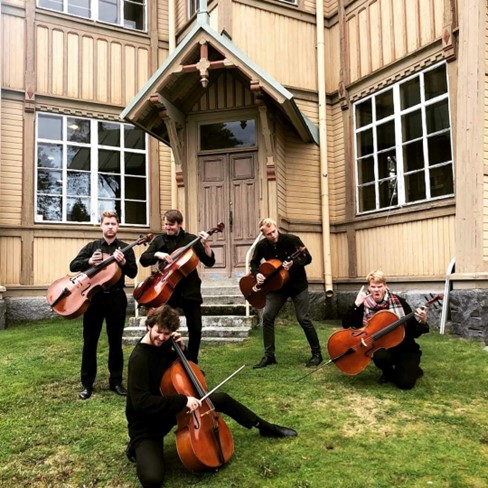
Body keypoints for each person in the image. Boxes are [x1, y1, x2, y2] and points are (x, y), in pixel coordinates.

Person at [125, 304, 297, 488]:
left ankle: (265, 427)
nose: (162, 337)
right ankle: (135, 446)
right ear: (148, 326)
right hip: (147, 423)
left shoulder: (166, 344)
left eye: (167, 334)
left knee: (220, 398)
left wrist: (182, 349)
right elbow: (141, 403)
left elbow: (182, 371)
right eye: (159, 332)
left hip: (170, 410)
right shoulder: (139, 359)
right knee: (152, 478)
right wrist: (183, 401)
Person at [70, 210, 137, 400]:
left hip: (116, 298)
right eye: (106, 223)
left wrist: (123, 263)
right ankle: (87, 384)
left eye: (113, 224)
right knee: (89, 342)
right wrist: (89, 261)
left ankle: (115, 381)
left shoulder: (124, 248)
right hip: (93, 299)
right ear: (101, 226)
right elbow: (73, 265)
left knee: (115, 342)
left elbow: (132, 272)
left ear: (118, 226)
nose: (110, 227)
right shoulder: (92, 247)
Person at [139, 209, 215, 363]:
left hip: (190, 290)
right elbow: (143, 259)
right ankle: (165, 361)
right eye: (166, 224)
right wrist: (157, 254)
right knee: (164, 327)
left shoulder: (191, 240)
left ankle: (192, 363)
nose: (168, 228)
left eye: (171, 225)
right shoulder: (159, 241)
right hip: (167, 291)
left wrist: (206, 245)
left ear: (180, 224)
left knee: (195, 329)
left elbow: (209, 262)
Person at [250, 218, 323, 369]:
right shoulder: (262, 245)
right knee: (267, 316)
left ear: (277, 228)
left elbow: (307, 258)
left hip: (297, 286)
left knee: (303, 318)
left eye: (274, 231)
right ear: (264, 234)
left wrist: (294, 264)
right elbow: (254, 262)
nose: (273, 235)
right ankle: (269, 356)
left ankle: (317, 354)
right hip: (277, 287)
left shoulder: (292, 240)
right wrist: (257, 273)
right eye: (269, 234)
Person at [342, 270, 429, 390]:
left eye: (379, 286)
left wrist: (422, 322)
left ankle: (408, 368)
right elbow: (346, 324)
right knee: (379, 355)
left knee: (405, 384)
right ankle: (388, 371)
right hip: (383, 349)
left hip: (404, 348)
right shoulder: (364, 305)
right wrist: (356, 304)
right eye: (373, 286)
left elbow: (414, 332)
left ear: (385, 286)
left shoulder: (399, 303)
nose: (376, 290)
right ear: (369, 287)